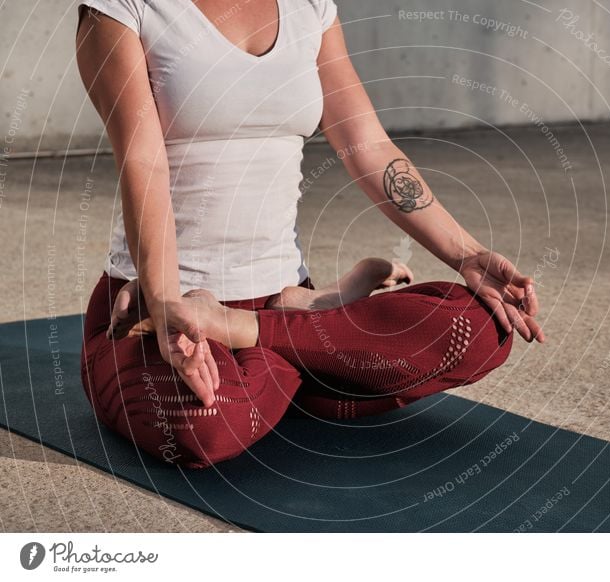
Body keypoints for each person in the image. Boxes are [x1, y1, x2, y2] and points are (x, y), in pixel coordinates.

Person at [76, 0, 544, 469]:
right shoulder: (122, 8)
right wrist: (162, 301)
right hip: (159, 313)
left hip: (276, 299)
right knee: (205, 427)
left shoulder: (310, 7)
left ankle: (258, 336)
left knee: (483, 327)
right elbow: (143, 161)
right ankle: (312, 350)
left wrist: (467, 254)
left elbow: (368, 145)